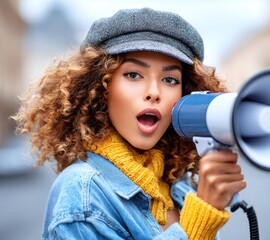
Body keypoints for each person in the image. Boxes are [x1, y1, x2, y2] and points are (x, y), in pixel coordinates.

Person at [14, 8, 246, 240]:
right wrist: (200, 221)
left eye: (169, 79)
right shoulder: (82, 193)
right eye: (134, 75)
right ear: (102, 88)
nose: (154, 92)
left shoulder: (176, 184)